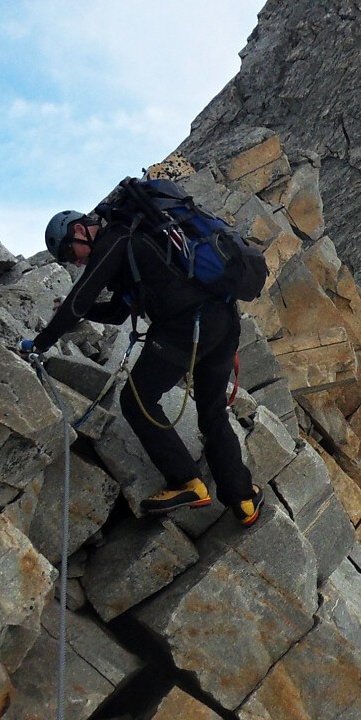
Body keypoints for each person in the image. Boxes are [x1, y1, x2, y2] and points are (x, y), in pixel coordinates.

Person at [25, 201, 261, 526]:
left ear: (79, 230)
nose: (77, 262)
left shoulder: (116, 239)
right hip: (220, 322)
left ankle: (187, 482)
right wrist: (79, 310)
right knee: (212, 412)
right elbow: (117, 312)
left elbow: (80, 297)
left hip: (186, 327)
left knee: (136, 399)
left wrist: (40, 344)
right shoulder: (133, 247)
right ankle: (244, 499)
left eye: (71, 253)